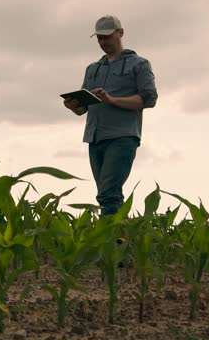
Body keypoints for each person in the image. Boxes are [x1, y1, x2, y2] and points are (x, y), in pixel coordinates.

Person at [63, 15, 158, 217]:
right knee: (106, 195)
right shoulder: (92, 69)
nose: (103, 42)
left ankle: (110, 243)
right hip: (94, 138)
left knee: (108, 195)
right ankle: (119, 240)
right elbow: (83, 108)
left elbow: (148, 100)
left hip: (122, 137)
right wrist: (73, 106)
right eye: (99, 38)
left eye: (106, 37)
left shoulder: (139, 64)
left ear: (120, 33)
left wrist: (112, 100)